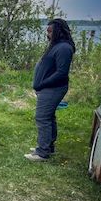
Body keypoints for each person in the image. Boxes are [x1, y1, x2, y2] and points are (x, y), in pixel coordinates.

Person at [25, 18, 75, 162]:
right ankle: (48, 147)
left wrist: (42, 84)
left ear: (58, 31)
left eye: (50, 31)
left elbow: (61, 73)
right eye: (47, 31)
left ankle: (42, 153)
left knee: (42, 118)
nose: (48, 34)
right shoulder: (57, 45)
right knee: (49, 117)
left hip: (53, 89)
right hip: (47, 88)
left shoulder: (64, 48)